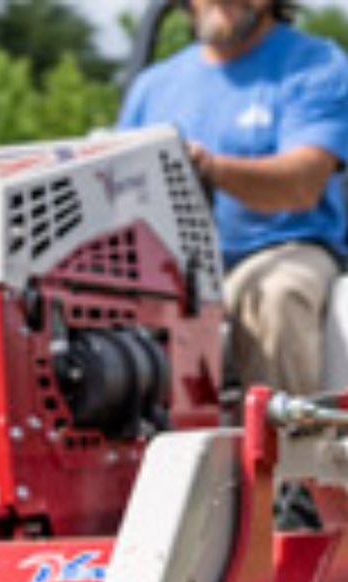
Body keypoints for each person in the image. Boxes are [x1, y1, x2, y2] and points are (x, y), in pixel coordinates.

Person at [120, 0, 348, 396]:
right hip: (172, 267)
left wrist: (211, 167)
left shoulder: (316, 65)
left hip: (286, 247)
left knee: (275, 296)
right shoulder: (153, 86)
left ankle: (296, 451)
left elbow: (302, 185)